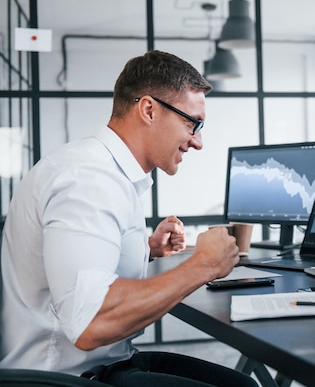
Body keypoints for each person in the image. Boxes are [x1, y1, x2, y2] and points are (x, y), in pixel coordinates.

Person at [0, 50, 257, 386]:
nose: (198, 141)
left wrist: (145, 249)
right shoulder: (87, 179)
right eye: (191, 122)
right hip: (65, 377)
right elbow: (91, 322)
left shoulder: (102, 171)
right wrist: (203, 265)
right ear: (148, 109)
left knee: (242, 384)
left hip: (106, 360)